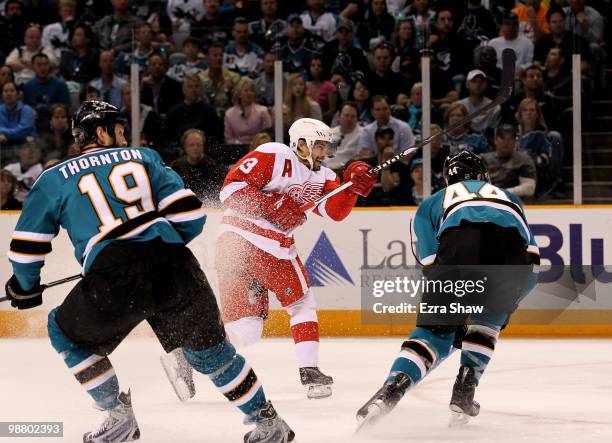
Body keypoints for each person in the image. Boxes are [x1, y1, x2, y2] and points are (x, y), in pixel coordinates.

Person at [4, 100, 294, 443]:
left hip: (114, 275)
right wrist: (162, 242)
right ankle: (268, 423)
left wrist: (25, 286)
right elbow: (190, 217)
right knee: (211, 354)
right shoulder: (145, 157)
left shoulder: (53, 178)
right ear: (102, 132)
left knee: (63, 332)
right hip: (175, 264)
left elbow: (25, 249)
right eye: (120, 130)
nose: (125, 136)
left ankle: (118, 417)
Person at [161, 117, 378, 401]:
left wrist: (353, 188)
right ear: (300, 144)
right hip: (258, 243)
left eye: (326, 145)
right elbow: (231, 189)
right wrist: (272, 206)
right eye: (319, 145)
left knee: (247, 328)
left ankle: (188, 355)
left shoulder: (324, 177)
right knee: (301, 304)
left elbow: (334, 212)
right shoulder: (274, 154)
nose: (324, 151)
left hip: (233, 247)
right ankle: (310, 371)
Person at [356, 150, 539, 430]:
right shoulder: (509, 196)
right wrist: (501, 307)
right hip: (510, 259)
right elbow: (533, 260)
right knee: (488, 322)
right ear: (482, 176)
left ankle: (392, 388)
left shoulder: (432, 202)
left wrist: (447, 319)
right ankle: (465, 391)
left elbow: (430, 263)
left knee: (432, 334)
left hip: (458, 251)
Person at [170, 128, 226, 206]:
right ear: (184, 147)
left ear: (203, 146)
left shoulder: (213, 166)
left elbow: (218, 191)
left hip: (207, 206)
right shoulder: (176, 166)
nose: (195, 148)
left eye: (199, 144)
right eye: (191, 145)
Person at [482, 124, 537, 198]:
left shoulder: (524, 160)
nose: (506, 142)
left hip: (515, 203)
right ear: (495, 140)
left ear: (515, 141)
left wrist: (501, 193)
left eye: (510, 139)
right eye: (502, 138)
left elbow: (529, 189)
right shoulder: (484, 160)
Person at [166, 74, 220, 148]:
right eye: (190, 87)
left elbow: (214, 138)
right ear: (183, 89)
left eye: (196, 86)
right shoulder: (174, 112)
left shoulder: (209, 111)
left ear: (201, 89)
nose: (194, 90)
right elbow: (169, 138)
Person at [22, 53, 71, 132]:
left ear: (49, 66)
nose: (43, 68)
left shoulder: (60, 84)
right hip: (34, 122)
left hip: (53, 123)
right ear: (33, 67)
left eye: (45, 64)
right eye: (39, 65)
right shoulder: (28, 86)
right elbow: (25, 107)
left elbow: (66, 107)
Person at [224, 78, 272, 145]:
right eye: (246, 91)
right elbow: (229, 139)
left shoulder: (262, 111)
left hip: (258, 147)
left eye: (252, 91)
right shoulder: (229, 113)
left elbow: (268, 135)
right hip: (237, 148)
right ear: (239, 94)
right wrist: (240, 144)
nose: (249, 93)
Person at [458, 69, 501, 135]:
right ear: (467, 84)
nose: (478, 84)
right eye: (474, 81)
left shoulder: (495, 108)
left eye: (481, 81)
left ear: (486, 84)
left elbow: (493, 133)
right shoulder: (458, 106)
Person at [0, 81, 36, 148]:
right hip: (6, 145)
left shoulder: (27, 110)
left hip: (27, 145)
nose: (9, 94)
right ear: (2, 95)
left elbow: (21, 132)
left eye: (12, 91)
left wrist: (2, 131)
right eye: (5, 91)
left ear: (18, 94)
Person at [329, 102, 363, 168]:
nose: (349, 119)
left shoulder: (363, 133)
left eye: (353, 116)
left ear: (357, 119)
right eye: (346, 115)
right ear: (339, 117)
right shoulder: (330, 133)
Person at [306, 56, 338, 124]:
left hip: (323, 123)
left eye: (319, 66)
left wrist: (317, 119)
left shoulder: (330, 86)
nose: (316, 68)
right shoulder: (305, 85)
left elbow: (332, 111)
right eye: (313, 65)